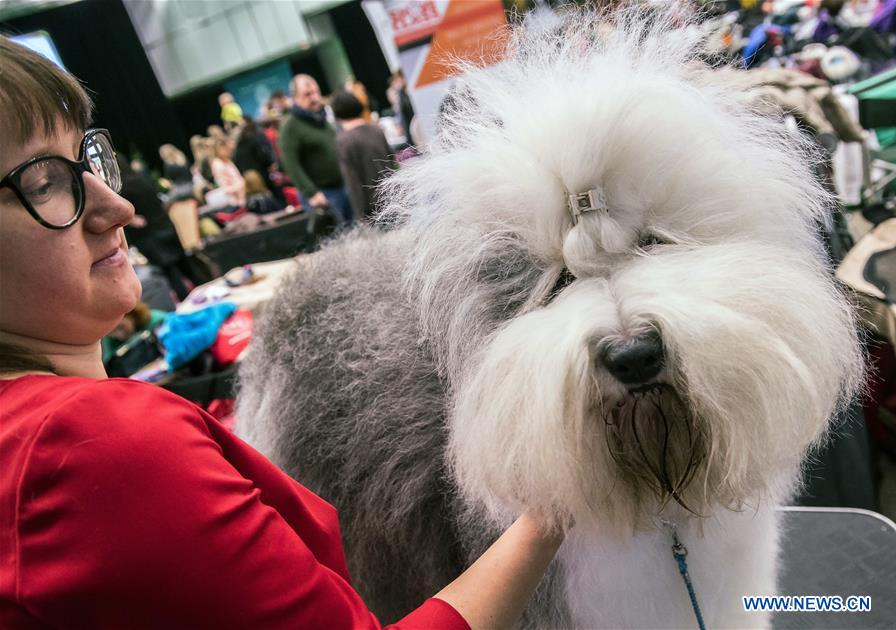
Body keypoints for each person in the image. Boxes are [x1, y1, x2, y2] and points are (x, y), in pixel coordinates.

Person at [0, 35, 565, 628]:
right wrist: (549, 507)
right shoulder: (92, 445)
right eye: (43, 183)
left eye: (87, 160)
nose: (115, 206)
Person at [118, 154, 203, 300]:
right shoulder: (141, 179)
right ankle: (210, 295)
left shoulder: (121, 189)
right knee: (188, 268)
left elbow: (132, 217)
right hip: (165, 227)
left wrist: (131, 220)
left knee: (172, 276)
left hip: (149, 236)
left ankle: (193, 307)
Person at [279, 74, 354, 225]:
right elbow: (291, 164)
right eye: (307, 94)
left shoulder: (321, 118)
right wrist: (311, 193)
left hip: (343, 187)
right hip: (322, 195)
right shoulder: (290, 126)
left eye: (316, 92)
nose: (314, 98)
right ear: (294, 98)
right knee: (338, 243)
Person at [331, 90, 396, 223]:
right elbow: (392, 163)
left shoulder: (343, 141)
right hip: (393, 200)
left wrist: (361, 216)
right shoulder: (376, 130)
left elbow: (353, 181)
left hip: (371, 210)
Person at [210, 137, 246, 208]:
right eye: (225, 148)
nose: (228, 150)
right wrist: (240, 185)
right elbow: (224, 188)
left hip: (241, 195)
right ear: (218, 150)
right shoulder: (217, 164)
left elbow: (237, 177)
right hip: (233, 201)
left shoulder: (228, 161)